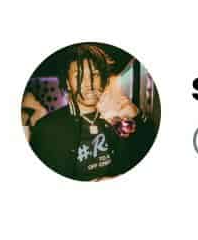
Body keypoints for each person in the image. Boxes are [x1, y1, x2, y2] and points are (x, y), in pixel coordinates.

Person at [28, 44, 156, 181]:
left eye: (95, 74)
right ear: (68, 83)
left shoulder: (116, 117)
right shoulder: (46, 129)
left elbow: (145, 150)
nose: (89, 83)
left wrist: (137, 115)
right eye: (79, 76)